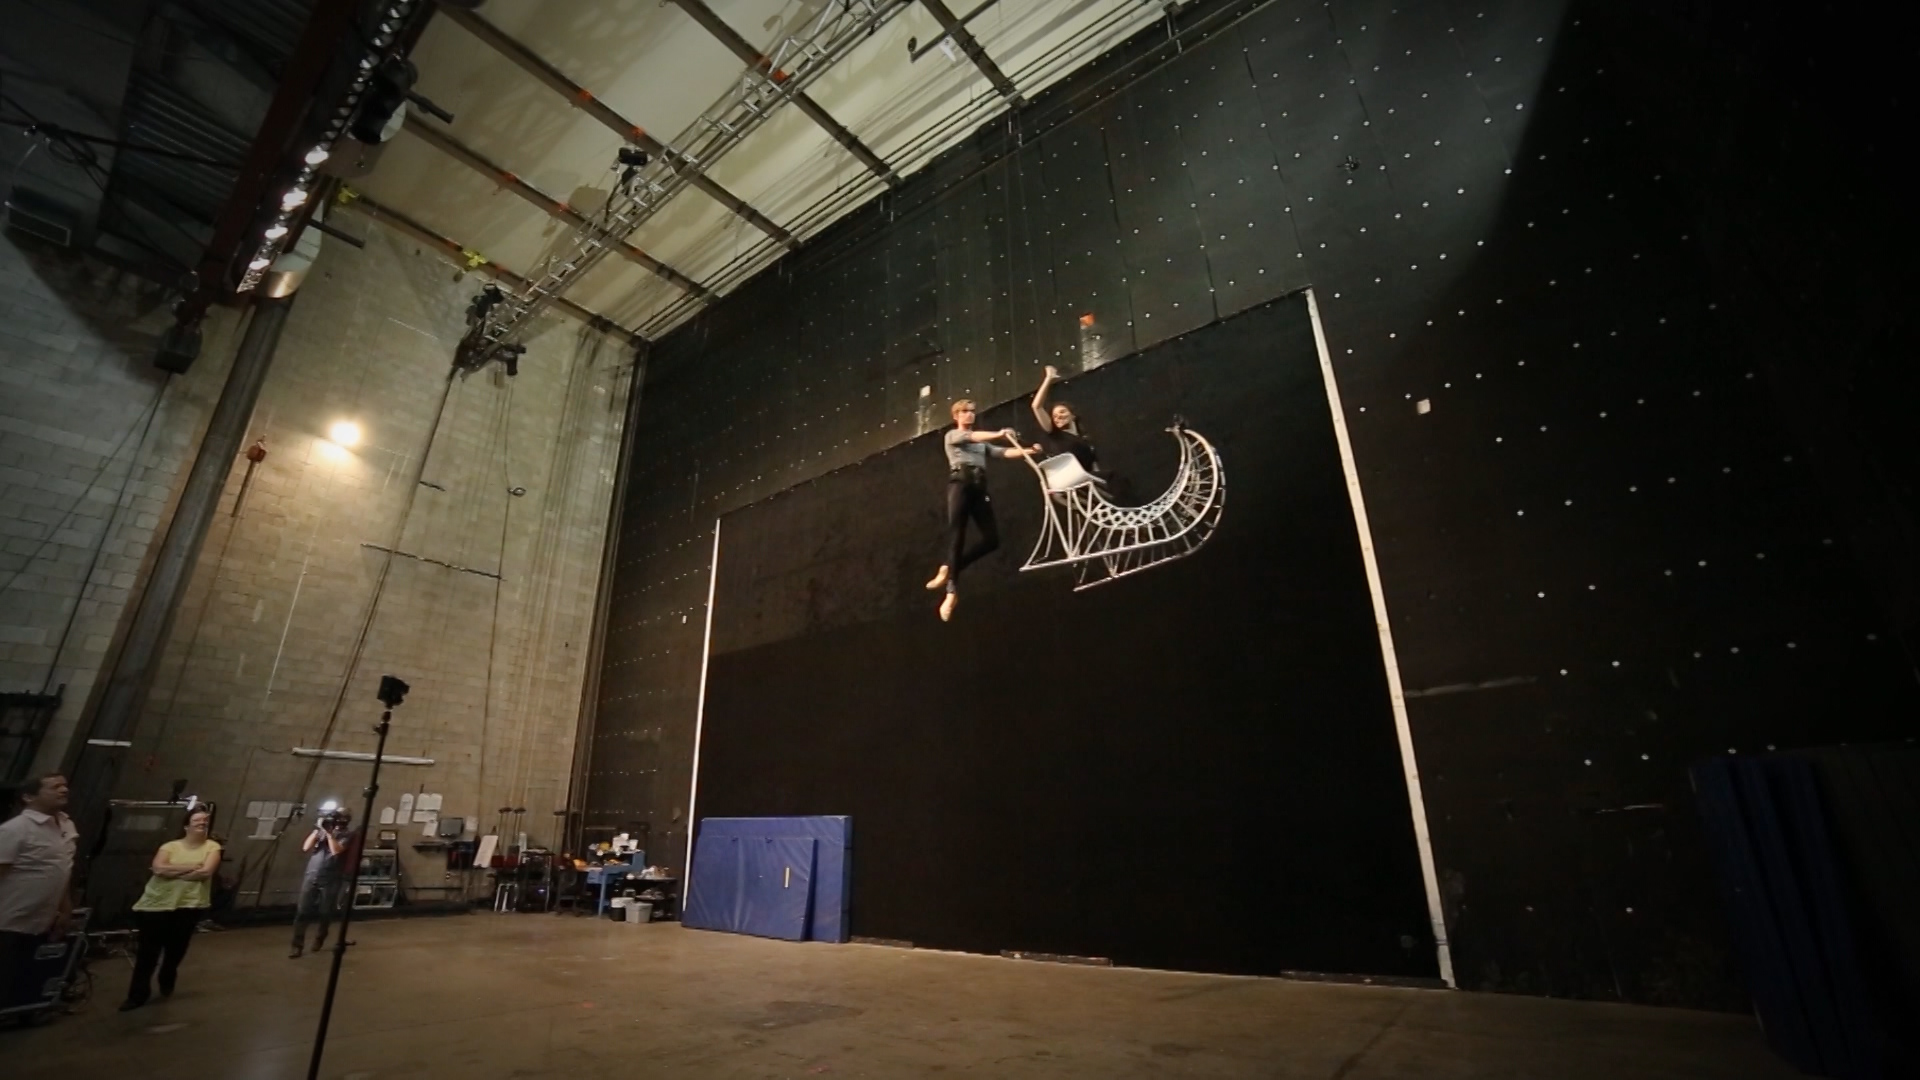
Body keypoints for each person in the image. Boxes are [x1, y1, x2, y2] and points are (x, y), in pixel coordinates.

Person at [924, 399, 1036, 622]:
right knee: (958, 535)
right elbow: (974, 436)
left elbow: (1002, 453)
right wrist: (999, 433)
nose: (969, 415)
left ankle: (949, 566)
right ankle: (951, 593)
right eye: (964, 412)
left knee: (992, 540)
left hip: (978, 488)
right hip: (960, 485)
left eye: (972, 411)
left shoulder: (981, 443)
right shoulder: (953, 436)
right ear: (956, 416)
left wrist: (1027, 451)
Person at [121, 807, 221, 1011]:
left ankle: (168, 973)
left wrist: (172, 871)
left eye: (205, 821)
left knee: (176, 949)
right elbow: (158, 868)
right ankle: (138, 994)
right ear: (186, 826)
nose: (202, 823)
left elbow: (206, 872)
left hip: (188, 904)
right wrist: (191, 867)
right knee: (147, 952)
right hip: (157, 904)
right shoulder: (170, 846)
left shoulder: (212, 847)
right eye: (197, 820)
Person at [0, 775, 76, 1008]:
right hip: (9, 920)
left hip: (42, 919)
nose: (63, 790)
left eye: (64, 785)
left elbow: (61, 870)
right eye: (54, 787)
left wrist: (64, 907)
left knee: (24, 979)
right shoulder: (14, 830)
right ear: (29, 796)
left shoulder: (66, 825)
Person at [290, 808, 352, 958]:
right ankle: (297, 946)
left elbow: (336, 850)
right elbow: (306, 847)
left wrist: (330, 835)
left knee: (325, 912)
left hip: (331, 878)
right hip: (312, 875)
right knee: (302, 912)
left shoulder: (347, 835)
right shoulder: (321, 832)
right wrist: (317, 830)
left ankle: (320, 937)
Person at [1030, 365, 1101, 475]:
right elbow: (1036, 406)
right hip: (1069, 478)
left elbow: (1094, 466)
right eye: (1054, 416)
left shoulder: (1085, 440)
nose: (1058, 417)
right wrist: (1048, 378)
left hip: (1089, 479)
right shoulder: (1055, 434)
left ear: (1073, 415)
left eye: (1062, 412)